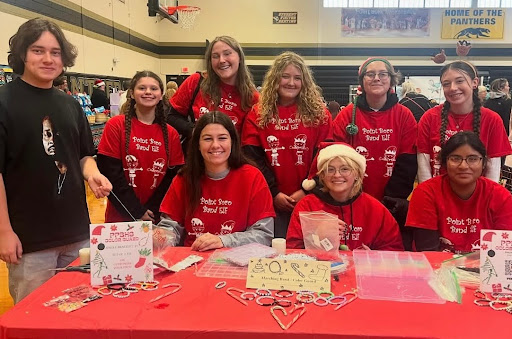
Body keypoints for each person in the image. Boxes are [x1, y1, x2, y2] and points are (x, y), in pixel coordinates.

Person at [0, 18, 112, 303]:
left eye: (55, 52)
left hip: (77, 235)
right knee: (34, 321)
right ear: (22, 54)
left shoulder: (70, 104)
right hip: (29, 241)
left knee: (80, 313)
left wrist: (92, 173)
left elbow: (83, 155)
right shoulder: (4, 102)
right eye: (38, 50)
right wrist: (4, 231)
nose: (48, 59)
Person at [242, 51, 332, 238]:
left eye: (297, 78)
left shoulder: (319, 114)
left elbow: (327, 157)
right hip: (270, 199)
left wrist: (308, 189)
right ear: (275, 79)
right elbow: (252, 158)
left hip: (311, 198)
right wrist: (274, 192)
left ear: (304, 82)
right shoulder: (258, 114)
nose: (291, 83)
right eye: (285, 76)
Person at [332, 57, 417, 249]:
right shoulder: (347, 115)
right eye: (370, 74)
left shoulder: (404, 116)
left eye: (383, 74)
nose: (376, 78)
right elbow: (337, 161)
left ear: (391, 80)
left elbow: (407, 163)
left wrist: (389, 200)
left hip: (391, 202)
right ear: (362, 81)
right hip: (351, 199)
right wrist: (354, 196)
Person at [159, 111, 275, 251]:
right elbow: (170, 226)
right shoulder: (183, 178)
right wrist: (160, 237)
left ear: (232, 141)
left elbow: (264, 234)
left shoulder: (253, 177)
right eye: (207, 139)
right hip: (193, 260)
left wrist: (224, 241)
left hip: (237, 261)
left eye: (222, 138)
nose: (215, 145)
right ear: (197, 144)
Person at [97, 71, 184, 224]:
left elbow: (173, 178)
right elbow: (110, 172)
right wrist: (136, 210)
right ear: (131, 93)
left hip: (155, 217)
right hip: (121, 215)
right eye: (142, 88)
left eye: (153, 88)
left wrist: (151, 210)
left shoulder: (171, 134)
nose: (148, 92)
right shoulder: (116, 125)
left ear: (161, 94)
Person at [406, 131, 512, 253]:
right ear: (444, 162)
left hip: (485, 270)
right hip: (435, 269)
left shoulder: (501, 196)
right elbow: (427, 252)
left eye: (472, 159)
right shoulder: (425, 193)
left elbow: (502, 254)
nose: (463, 166)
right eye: (455, 159)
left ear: (483, 163)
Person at [287, 143, 403, 251]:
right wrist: (315, 239)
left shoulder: (376, 209)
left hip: (361, 272)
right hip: (320, 272)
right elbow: (292, 251)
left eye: (345, 169)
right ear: (322, 176)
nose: (337, 175)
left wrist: (372, 258)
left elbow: (395, 252)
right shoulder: (307, 207)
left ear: (357, 174)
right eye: (330, 169)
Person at [417, 61, 511, 184]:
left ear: (475, 82)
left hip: (477, 198)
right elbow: (423, 166)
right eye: (446, 84)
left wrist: (486, 199)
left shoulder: (492, 120)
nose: (453, 88)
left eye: (459, 81)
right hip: (437, 196)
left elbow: (492, 170)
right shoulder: (429, 118)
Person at [168, 36, 259, 153]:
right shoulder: (196, 82)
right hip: (196, 159)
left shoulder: (252, 97)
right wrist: (196, 131)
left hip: (232, 162)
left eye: (227, 54)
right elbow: (171, 117)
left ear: (240, 57)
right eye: (215, 56)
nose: (221, 60)